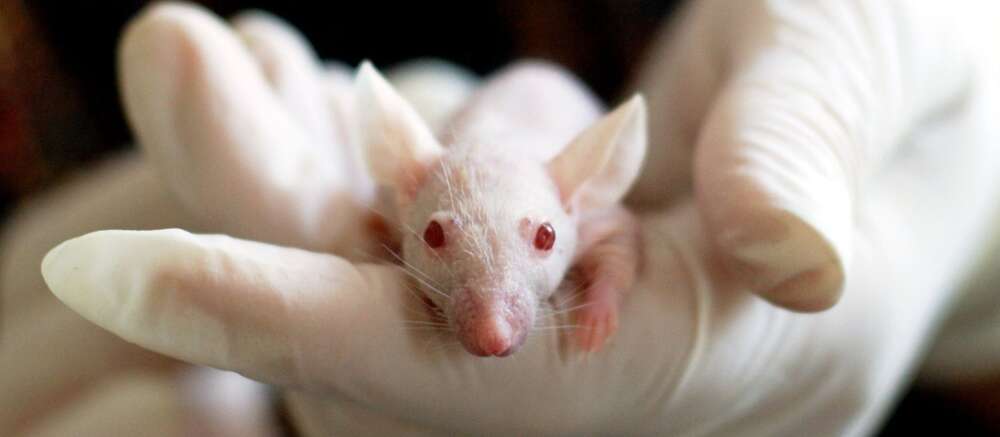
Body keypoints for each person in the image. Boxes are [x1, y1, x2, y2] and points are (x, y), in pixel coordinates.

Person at [6, 0, 1000, 435]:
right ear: (399, 178)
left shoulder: (589, 199)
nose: (492, 327)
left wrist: (972, 260)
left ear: (591, 180)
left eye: (542, 246)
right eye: (430, 238)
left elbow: (612, 234)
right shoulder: (403, 186)